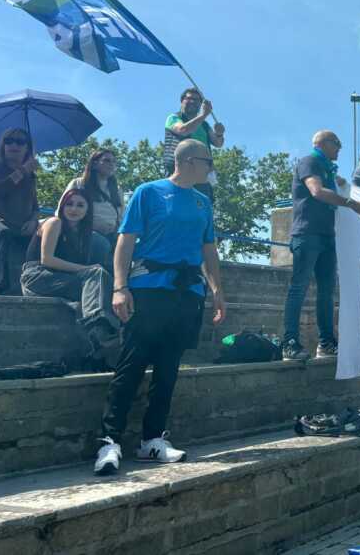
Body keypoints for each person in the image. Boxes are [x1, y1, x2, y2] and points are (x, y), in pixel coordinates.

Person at [94, 139, 226, 476]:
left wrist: (216, 290)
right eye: (207, 162)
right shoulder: (148, 192)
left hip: (188, 292)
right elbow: (125, 241)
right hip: (150, 289)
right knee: (132, 364)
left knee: (169, 368)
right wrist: (120, 287)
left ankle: (152, 438)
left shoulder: (202, 203)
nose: (210, 168)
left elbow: (208, 248)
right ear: (187, 161)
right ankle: (109, 439)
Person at [281, 130, 360, 361]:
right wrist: (351, 203)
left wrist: (350, 188)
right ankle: (289, 342)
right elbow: (317, 191)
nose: (340, 148)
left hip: (327, 236)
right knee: (299, 287)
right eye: (336, 143)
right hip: (307, 233)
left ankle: (326, 343)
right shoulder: (309, 161)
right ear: (322, 143)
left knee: (327, 292)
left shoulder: (329, 170)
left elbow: (338, 184)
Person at [20, 188, 118, 358]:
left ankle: (96, 349)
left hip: (60, 280)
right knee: (97, 274)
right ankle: (100, 325)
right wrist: (87, 269)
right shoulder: (54, 222)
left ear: (88, 210)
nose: (74, 209)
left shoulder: (83, 235)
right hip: (36, 277)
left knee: (101, 285)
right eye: (69, 204)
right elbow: (47, 260)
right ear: (62, 206)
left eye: (80, 205)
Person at [0, 128, 39, 295]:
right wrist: (23, 171)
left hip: (22, 224)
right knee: (0, 232)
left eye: (20, 141)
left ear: (27, 148)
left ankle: (35, 287)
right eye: (9, 140)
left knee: (47, 236)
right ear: (2, 145)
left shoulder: (31, 176)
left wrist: (33, 220)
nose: (14, 144)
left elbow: (35, 206)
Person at [162, 88, 224, 204]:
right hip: (180, 171)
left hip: (202, 173)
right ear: (182, 101)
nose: (192, 102)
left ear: (200, 104)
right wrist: (203, 115)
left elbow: (218, 143)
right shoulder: (174, 118)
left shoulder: (204, 125)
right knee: (178, 204)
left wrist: (219, 134)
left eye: (196, 100)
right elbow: (182, 130)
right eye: (189, 98)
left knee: (202, 205)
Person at [67, 149, 123, 248]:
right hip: (84, 234)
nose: (111, 164)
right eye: (107, 160)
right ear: (94, 164)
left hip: (112, 237)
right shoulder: (79, 183)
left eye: (114, 162)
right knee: (101, 244)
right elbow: (62, 210)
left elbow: (121, 218)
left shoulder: (117, 190)